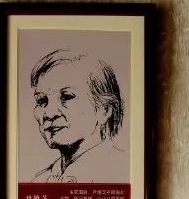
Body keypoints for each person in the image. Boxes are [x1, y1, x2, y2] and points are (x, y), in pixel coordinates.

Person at [29, 49, 126, 183]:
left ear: (104, 109)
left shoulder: (122, 171)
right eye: (42, 101)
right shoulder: (39, 181)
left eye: (67, 97)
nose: (49, 114)